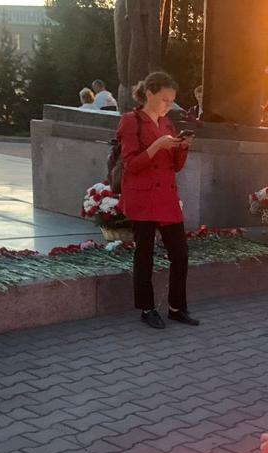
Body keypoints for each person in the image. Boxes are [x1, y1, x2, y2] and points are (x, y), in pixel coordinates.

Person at [117, 71, 198, 329]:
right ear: (149, 93)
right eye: (164, 99)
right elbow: (131, 164)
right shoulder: (131, 121)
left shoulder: (167, 124)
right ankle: (147, 308)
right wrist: (156, 146)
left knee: (180, 254)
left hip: (166, 198)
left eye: (171, 101)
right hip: (143, 197)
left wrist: (182, 147)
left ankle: (176, 307)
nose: (168, 105)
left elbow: (175, 166)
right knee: (144, 255)